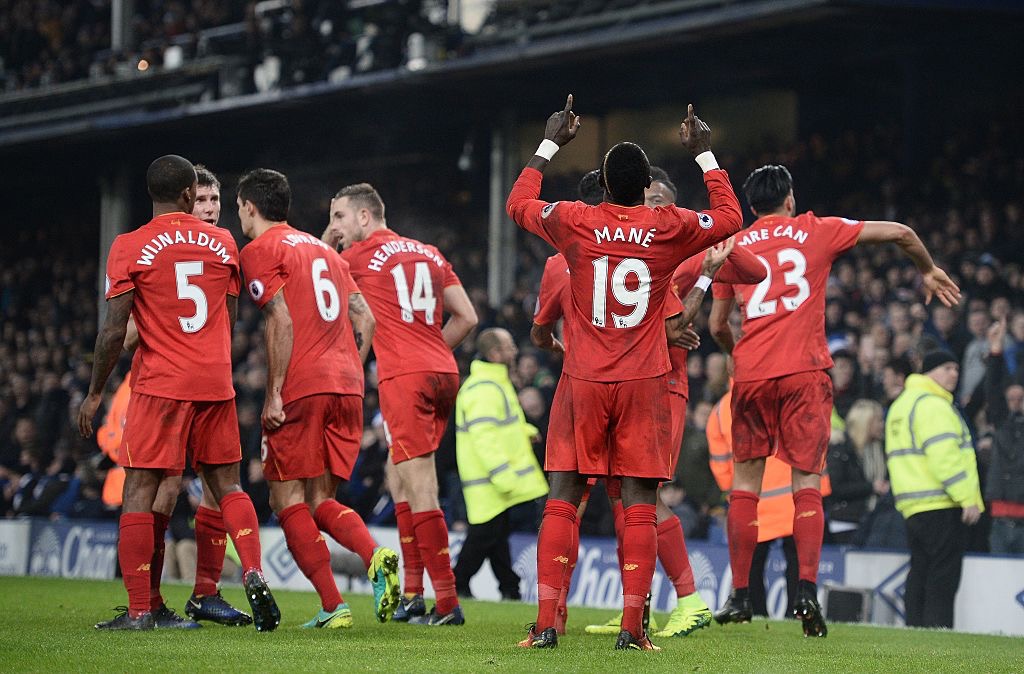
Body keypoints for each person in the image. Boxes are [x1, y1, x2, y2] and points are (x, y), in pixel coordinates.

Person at [508, 96, 743, 651]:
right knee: (639, 503)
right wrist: (705, 154)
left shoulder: (576, 219)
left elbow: (519, 203)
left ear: (606, 185)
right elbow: (731, 218)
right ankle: (633, 629)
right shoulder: (669, 225)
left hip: (584, 379)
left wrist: (550, 143)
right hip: (644, 381)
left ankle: (546, 626)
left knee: (563, 496)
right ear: (645, 189)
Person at [709, 163, 960, 637]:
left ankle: (740, 595)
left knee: (745, 487)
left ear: (751, 207)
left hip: (754, 374)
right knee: (807, 481)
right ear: (789, 199)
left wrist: (737, 355)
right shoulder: (815, 230)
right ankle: (806, 591)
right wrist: (928, 270)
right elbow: (902, 233)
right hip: (804, 372)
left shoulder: (733, 246)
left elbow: (718, 325)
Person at [77, 155, 279, 631]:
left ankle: (141, 610)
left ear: (152, 194)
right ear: (190, 194)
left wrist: (94, 393)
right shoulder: (224, 242)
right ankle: (252, 568)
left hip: (160, 384)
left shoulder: (129, 245)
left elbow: (114, 330)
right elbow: (229, 319)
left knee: (140, 491)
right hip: (214, 382)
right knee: (227, 485)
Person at [576, 167, 764, 639]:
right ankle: (636, 607)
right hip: (631, 382)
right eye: (646, 198)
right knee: (621, 495)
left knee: (643, 495)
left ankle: (689, 599)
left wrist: (713, 244)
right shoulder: (637, 250)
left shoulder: (684, 247)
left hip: (665, 384)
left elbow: (755, 271)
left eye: (658, 200)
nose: (649, 206)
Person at [238, 168, 400, 628]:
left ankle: (333, 604)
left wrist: (274, 393)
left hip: (302, 386)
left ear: (249, 207)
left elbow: (280, 320)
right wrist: (349, 369)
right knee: (320, 500)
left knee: (286, 499)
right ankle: (374, 555)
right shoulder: (325, 251)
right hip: (347, 385)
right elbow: (366, 318)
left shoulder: (259, 250)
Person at [323, 182, 478, 626]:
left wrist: (326, 240)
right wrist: (432, 352)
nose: (337, 227)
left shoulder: (359, 256)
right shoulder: (429, 252)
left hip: (405, 378)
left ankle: (446, 602)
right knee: (399, 476)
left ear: (365, 217)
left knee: (421, 484)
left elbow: (312, 273)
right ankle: (413, 593)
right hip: (443, 372)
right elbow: (467, 316)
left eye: (339, 217)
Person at [112, 165, 251, 628]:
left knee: (208, 487)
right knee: (170, 489)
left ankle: (202, 593)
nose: (209, 208)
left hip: (185, 384)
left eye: (216, 201)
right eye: (203, 199)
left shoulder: (210, 247)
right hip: (193, 383)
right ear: (189, 198)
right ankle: (150, 600)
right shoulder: (218, 247)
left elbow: (123, 334)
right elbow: (129, 335)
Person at [885, 350, 984, 628]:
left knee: (920, 570)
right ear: (930, 371)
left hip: (912, 505)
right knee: (942, 577)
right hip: (942, 502)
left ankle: (916, 631)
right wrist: (967, 498)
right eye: (947, 368)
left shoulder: (901, 404)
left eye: (956, 368)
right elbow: (945, 459)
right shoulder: (934, 405)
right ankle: (938, 633)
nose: (954, 373)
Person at [453, 328, 548, 599]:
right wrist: (503, 476)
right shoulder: (484, 388)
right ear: (495, 354)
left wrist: (526, 432)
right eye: (509, 346)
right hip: (491, 481)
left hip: (492, 479)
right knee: (484, 535)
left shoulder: (495, 383)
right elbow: (485, 438)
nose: (515, 351)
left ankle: (509, 588)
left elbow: (504, 426)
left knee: (496, 534)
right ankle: (456, 584)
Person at [983, 317, 1024, 554]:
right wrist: (995, 351)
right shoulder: (1002, 423)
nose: (1016, 403)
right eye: (1012, 399)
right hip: (999, 520)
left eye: (1021, 399)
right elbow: (992, 388)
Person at [825, 400, 889, 544]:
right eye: (878, 421)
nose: (882, 425)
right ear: (865, 423)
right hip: (845, 520)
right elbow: (835, 487)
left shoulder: (880, 448)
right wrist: (872, 487)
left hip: (872, 518)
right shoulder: (841, 448)